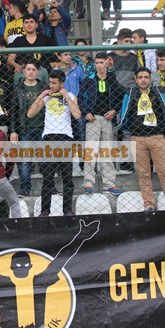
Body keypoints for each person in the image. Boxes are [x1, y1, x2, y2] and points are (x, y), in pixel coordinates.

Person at [118, 68, 165, 211]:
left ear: (150, 79)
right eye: (140, 77)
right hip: (137, 138)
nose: (143, 80)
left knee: (164, 171)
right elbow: (125, 112)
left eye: (146, 77)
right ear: (136, 80)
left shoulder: (157, 92)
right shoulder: (131, 94)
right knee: (144, 174)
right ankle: (148, 204)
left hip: (157, 137)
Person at [27, 69, 81, 216]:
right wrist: (41, 96)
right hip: (49, 138)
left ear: (62, 84)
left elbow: (77, 115)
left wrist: (66, 96)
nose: (51, 85)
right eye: (50, 82)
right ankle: (45, 210)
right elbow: (30, 114)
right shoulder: (46, 97)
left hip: (65, 138)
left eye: (54, 83)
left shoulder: (71, 96)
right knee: (48, 177)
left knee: (67, 177)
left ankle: (67, 209)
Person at [78, 52, 124, 195]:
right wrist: (86, 112)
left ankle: (109, 183)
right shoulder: (89, 79)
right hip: (93, 119)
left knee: (107, 151)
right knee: (91, 151)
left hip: (107, 119)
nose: (99, 66)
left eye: (102, 63)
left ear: (107, 63)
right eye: (97, 63)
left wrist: (114, 110)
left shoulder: (111, 79)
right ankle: (88, 183)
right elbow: (80, 98)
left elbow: (121, 95)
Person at [10, 56, 48, 198]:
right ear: (24, 71)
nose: (31, 72)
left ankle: (49, 188)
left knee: (46, 160)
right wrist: (13, 131)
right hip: (25, 129)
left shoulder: (44, 87)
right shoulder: (18, 89)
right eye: (28, 69)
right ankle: (25, 189)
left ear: (38, 72)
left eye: (34, 69)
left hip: (44, 128)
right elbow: (14, 112)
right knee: (25, 161)